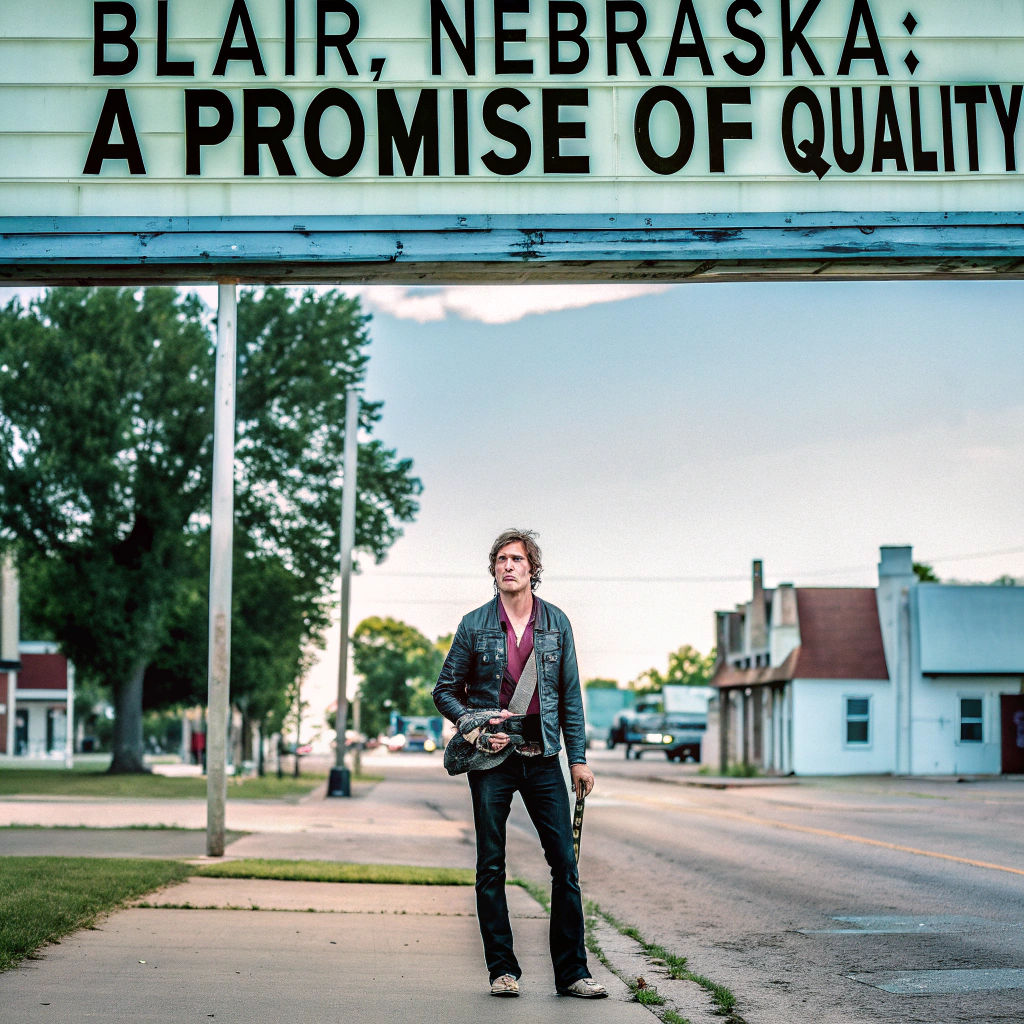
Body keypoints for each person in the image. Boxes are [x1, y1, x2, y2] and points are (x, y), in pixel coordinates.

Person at [433, 528, 606, 999]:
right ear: (494, 570)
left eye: (517, 559)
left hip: (543, 756)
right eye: (501, 560)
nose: (509, 566)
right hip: (492, 761)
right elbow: (443, 691)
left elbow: (570, 698)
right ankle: (502, 971)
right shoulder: (474, 624)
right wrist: (473, 726)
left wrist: (579, 761)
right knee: (491, 865)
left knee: (564, 865)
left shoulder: (556, 624)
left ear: (532, 569)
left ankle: (572, 973)